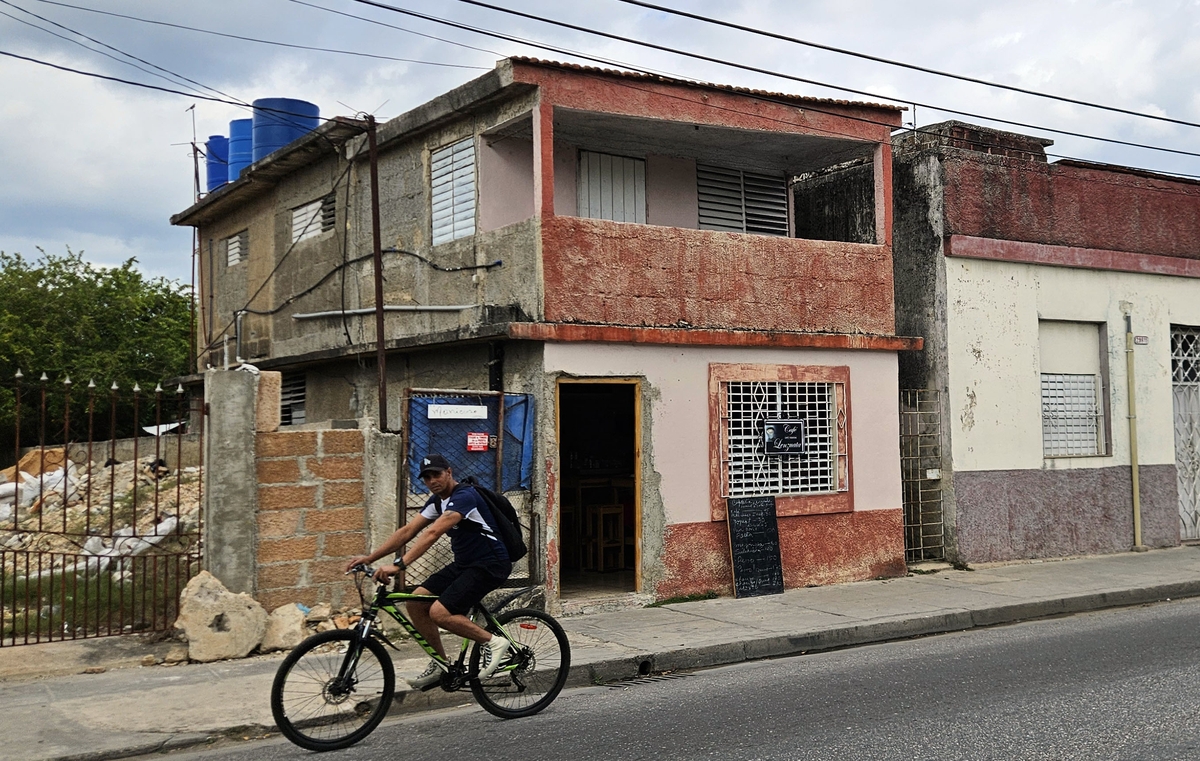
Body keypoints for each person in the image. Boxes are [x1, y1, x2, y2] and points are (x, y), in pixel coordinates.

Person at [345, 453, 512, 688]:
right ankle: (440, 663)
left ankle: (493, 643)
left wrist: (398, 565)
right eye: (427, 477)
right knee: (416, 602)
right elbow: (408, 531)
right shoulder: (436, 501)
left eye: (437, 474)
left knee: (440, 613)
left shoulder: (465, 496)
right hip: (465, 564)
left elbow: (433, 533)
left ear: (449, 473)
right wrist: (370, 557)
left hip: (491, 563)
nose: (432, 480)